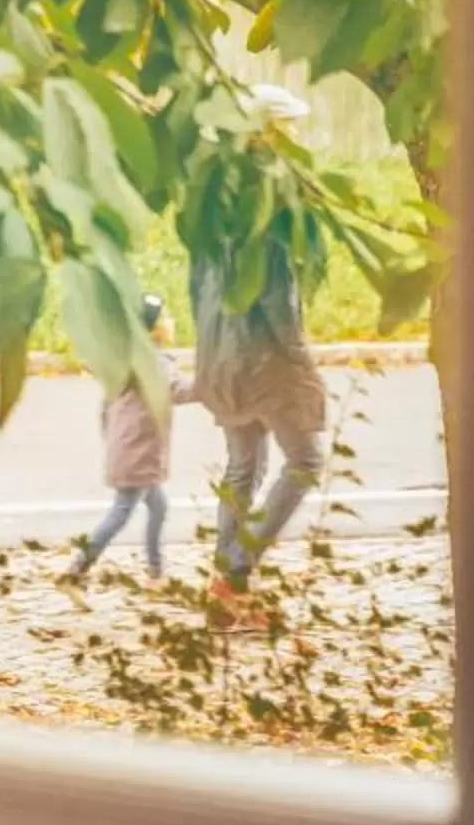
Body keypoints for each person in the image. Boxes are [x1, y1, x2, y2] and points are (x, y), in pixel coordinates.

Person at [188, 215, 330, 597]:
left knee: (242, 467)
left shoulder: (207, 230)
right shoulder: (269, 227)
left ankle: (226, 586)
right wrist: (303, 363)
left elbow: (194, 295)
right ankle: (236, 566)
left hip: (220, 359)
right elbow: (280, 308)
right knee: (306, 462)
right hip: (265, 364)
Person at [66, 294, 177, 581]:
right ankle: (79, 565)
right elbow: (177, 389)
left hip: (131, 451)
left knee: (158, 505)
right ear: (152, 330)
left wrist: (116, 442)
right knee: (121, 511)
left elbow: (105, 412)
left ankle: (155, 569)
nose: (170, 322)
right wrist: (213, 385)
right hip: (138, 454)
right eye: (164, 317)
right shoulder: (155, 364)